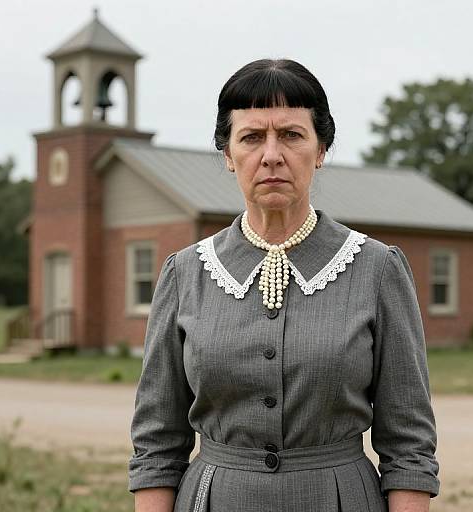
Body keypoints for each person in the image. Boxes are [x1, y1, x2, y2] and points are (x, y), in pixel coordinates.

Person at [128, 59, 440, 512]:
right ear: (228, 155)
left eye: (292, 135)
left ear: (320, 150)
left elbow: (409, 444)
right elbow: (157, 443)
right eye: (252, 137)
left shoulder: (376, 268)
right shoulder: (185, 273)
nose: (271, 154)